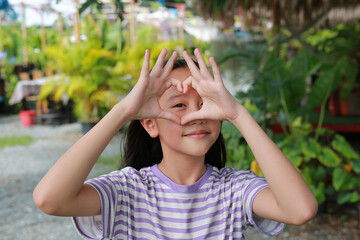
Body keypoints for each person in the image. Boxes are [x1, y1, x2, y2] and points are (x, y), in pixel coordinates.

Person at [33, 48, 318, 239]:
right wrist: (123, 112)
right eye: (180, 105)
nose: (196, 116)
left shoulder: (235, 189)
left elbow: (300, 210)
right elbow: (50, 199)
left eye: (206, 104)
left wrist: (238, 113)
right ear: (150, 122)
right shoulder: (127, 189)